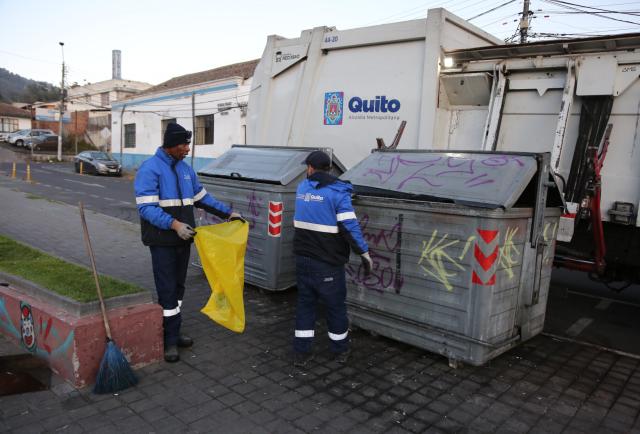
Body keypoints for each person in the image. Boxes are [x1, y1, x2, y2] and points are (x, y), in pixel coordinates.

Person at [134, 122, 241, 363]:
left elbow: (203, 198)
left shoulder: (186, 170)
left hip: (183, 240)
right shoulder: (150, 169)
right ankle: (168, 340)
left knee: (179, 289)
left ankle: (174, 330)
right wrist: (175, 225)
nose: (187, 149)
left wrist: (228, 214)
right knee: (167, 289)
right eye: (184, 144)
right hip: (162, 241)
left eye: (188, 144)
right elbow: (147, 209)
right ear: (171, 145)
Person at [292, 150, 373, 366]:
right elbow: (350, 227)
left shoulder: (301, 189)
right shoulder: (337, 193)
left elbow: (317, 199)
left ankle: (301, 353)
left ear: (310, 168)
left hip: (302, 259)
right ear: (329, 169)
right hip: (327, 263)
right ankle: (340, 350)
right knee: (335, 307)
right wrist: (364, 254)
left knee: (305, 305)